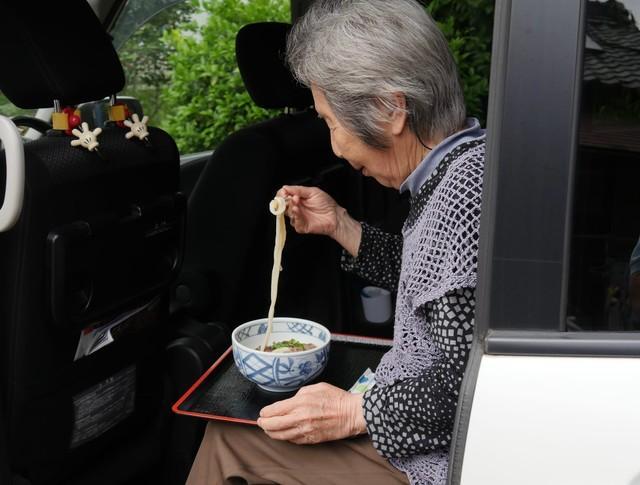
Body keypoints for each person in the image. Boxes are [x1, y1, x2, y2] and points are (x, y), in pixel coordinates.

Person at [186, 0, 485, 483]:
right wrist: (340, 225)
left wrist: (354, 413)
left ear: (391, 110)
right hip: (415, 419)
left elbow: (470, 386)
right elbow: (432, 281)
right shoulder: (465, 167)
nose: (334, 147)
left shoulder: (461, 198)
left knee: (232, 439)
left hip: (438, 460)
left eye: (330, 122)